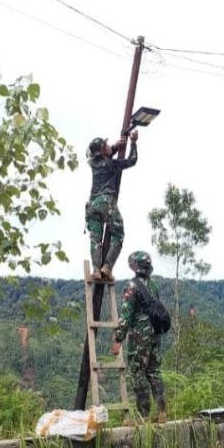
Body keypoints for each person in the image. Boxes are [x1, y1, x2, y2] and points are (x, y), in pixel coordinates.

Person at [112, 250, 167, 423]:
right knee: (154, 372)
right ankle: (162, 412)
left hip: (140, 335)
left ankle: (143, 417)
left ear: (135, 266)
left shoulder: (132, 286)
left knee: (137, 372)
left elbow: (126, 315)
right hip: (155, 334)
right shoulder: (154, 286)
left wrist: (118, 339)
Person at [85, 130, 138, 281]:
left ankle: (96, 270)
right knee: (118, 234)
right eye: (106, 145)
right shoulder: (110, 164)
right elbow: (132, 160)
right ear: (102, 150)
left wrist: (115, 146)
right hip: (105, 203)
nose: (109, 146)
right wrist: (133, 143)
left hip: (92, 205)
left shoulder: (93, 163)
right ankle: (107, 267)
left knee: (95, 239)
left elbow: (105, 153)